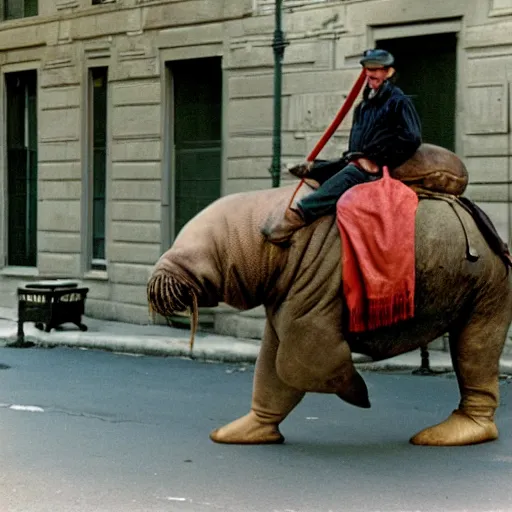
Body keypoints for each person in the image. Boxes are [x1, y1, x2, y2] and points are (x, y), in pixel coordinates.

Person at [263, 48, 422, 244]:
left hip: (377, 169)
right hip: (356, 160)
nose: (371, 74)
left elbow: (411, 138)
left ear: (388, 72)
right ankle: (312, 168)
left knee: (345, 178)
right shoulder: (364, 105)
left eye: (376, 70)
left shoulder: (398, 102)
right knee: (330, 168)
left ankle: (296, 217)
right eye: (367, 69)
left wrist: (377, 160)